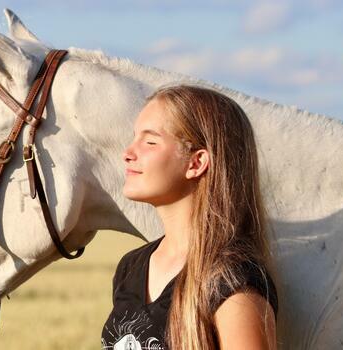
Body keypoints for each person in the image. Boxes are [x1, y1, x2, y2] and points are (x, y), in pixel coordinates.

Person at [101, 85, 279, 350]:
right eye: (134, 137)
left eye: (150, 141)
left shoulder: (234, 281)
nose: (128, 152)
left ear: (196, 163)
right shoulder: (132, 267)